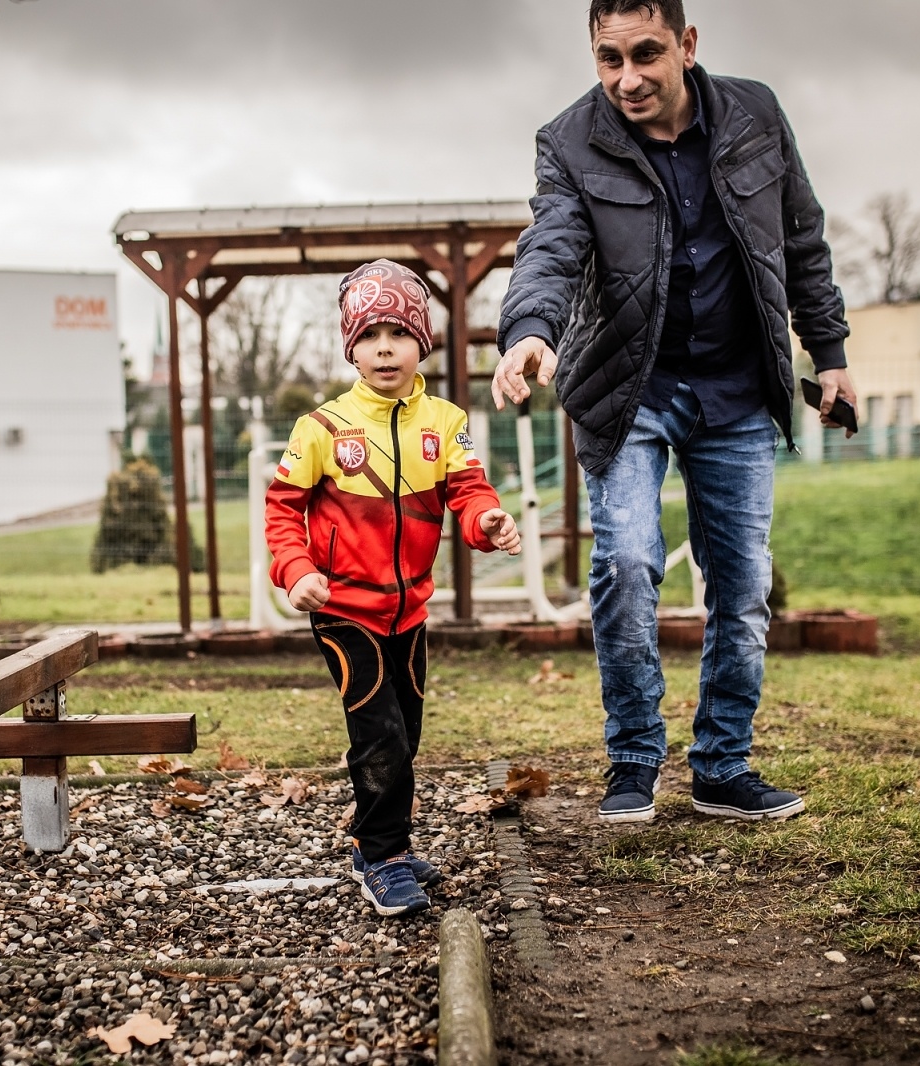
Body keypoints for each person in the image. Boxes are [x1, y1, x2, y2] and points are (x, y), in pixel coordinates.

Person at [493, 0, 857, 823]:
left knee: (742, 582)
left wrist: (829, 354)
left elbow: (801, 239)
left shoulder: (756, 114)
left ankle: (724, 766)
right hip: (629, 389)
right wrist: (529, 331)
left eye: (646, 54)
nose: (627, 78)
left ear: (687, 45)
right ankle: (632, 761)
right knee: (625, 563)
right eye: (608, 58)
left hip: (737, 388)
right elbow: (550, 245)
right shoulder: (568, 140)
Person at [266, 259, 521, 916]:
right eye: (371, 333)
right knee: (378, 736)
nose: (385, 347)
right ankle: (381, 858)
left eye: (399, 333)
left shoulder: (444, 420)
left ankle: (383, 844)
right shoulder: (321, 429)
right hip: (344, 609)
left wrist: (486, 520)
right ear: (352, 346)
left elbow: (468, 491)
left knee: (404, 734)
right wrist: (295, 571)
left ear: (422, 344)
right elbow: (281, 509)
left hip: (409, 610)